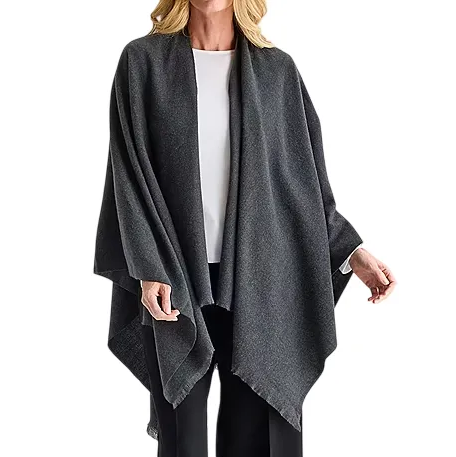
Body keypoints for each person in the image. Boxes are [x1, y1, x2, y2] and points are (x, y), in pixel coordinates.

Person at [94, 1, 397, 455]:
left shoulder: (277, 72)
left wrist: (352, 252)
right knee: (182, 444)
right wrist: (148, 267)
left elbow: (304, 186)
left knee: (259, 440)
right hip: (174, 284)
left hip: (262, 285)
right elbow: (128, 175)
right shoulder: (142, 63)